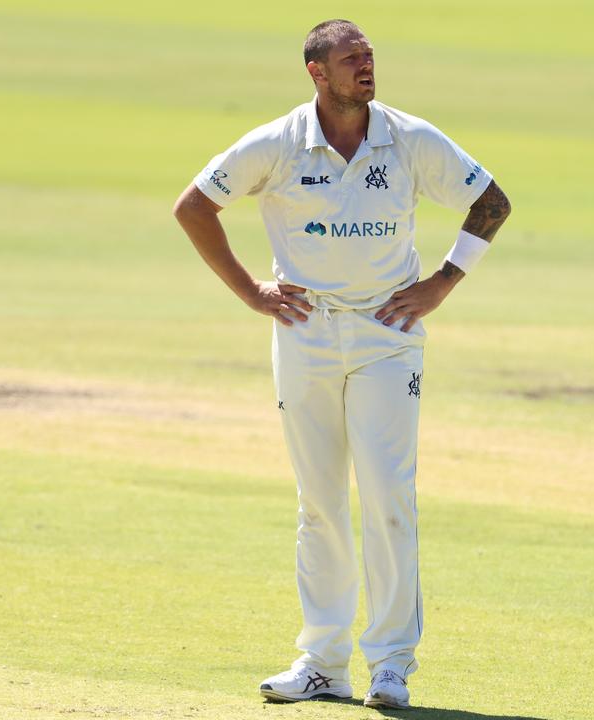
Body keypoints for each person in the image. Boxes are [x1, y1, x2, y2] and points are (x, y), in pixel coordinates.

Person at [171, 19, 511, 710]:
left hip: (389, 334)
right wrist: (250, 292)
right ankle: (324, 661)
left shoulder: (408, 136)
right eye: (351, 58)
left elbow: (491, 202)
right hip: (306, 333)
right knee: (319, 501)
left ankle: (391, 665)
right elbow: (194, 205)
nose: (366, 67)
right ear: (316, 72)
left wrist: (443, 281)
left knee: (389, 495)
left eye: (370, 57)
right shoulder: (278, 142)